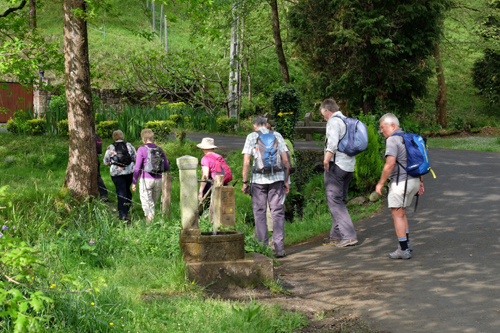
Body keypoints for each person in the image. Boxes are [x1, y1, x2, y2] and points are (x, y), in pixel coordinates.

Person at [376, 113, 424, 259]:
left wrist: (380, 183)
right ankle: (406, 245)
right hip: (414, 181)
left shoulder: (392, 140)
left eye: (383, 128)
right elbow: (419, 160)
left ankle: (403, 249)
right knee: (401, 213)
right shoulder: (409, 137)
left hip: (400, 184)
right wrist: (421, 182)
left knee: (397, 214)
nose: (381, 131)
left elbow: (390, 163)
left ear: (392, 125)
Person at [242, 116, 290, 257]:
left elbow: (246, 161)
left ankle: (263, 248)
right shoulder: (277, 135)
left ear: (254, 126)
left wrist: (245, 182)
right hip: (277, 179)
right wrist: (286, 180)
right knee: (277, 212)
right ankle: (279, 248)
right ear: (267, 124)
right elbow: (285, 159)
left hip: (258, 180)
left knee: (260, 213)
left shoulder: (251, 136)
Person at [320, 98, 358, 247]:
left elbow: (332, 143)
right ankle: (336, 235)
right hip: (348, 166)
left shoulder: (333, 122)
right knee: (339, 200)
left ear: (327, 111)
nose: (323, 117)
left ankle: (348, 235)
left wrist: (326, 160)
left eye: (322, 114)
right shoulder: (347, 121)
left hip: (336, 165)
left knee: (334, 200)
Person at [132, 129, 170, 221]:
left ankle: (150, 228)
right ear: (152, 138)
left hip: (146, 180)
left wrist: (134, 182)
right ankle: (151, 224)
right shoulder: (160, 149)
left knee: (148, 204)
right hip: (159, 180)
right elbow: (167, 167)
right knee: (152, 203)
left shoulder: (141, 149)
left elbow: (137, 167)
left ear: (143, 139)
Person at [103, 130, 136, 221]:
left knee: (121, 192)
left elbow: (106, 162)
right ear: (123, 136)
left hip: (116, 173)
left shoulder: (110, 147)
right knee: (127, 190)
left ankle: (123, 214)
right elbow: (134, 158)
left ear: (114, 138)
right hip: (129, 172)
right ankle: (127, 208)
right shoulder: (129, 145)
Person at [96, 133, 109, 202]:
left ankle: (104, 196)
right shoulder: (95, 135)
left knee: (97, 176)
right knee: (97, 176)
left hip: (92, 158)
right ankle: (103, 195)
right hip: (95, 157)